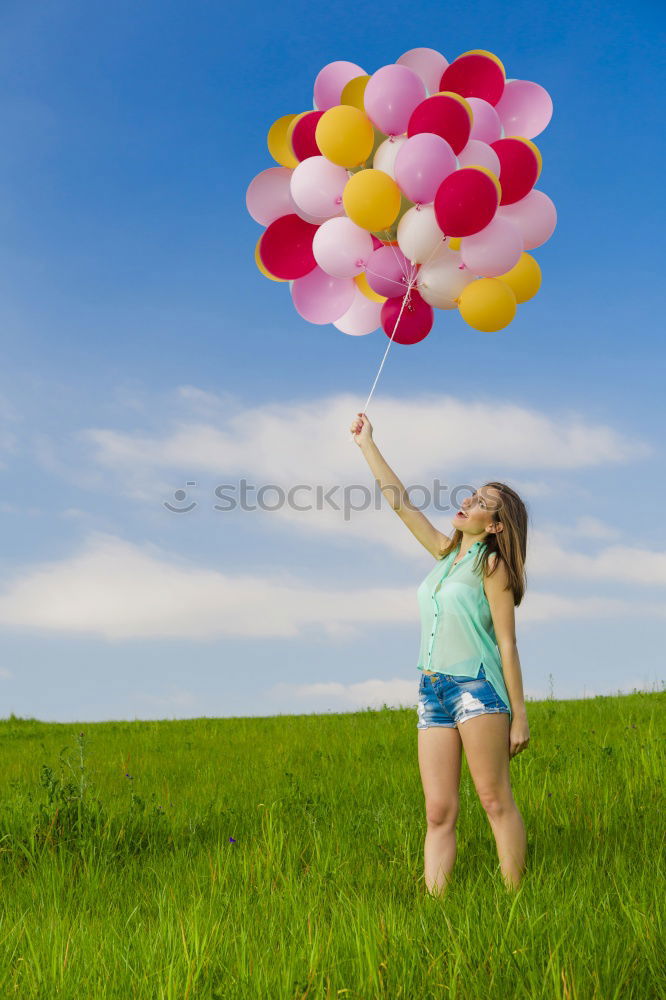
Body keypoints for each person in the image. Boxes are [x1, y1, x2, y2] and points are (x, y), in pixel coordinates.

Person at [350, 410, 530, 896]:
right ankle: (437, 907)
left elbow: (507, 645)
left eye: (482, 504)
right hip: (432, 690)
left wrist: (519, 716)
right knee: (438, 810)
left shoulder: (492, 567)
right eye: (472, 496)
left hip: (478, 689)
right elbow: (400, 503)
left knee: (494, 799)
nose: (468, 503)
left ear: (494, 526)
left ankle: (517, 903)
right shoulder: (445, 555)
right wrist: (368, 444)